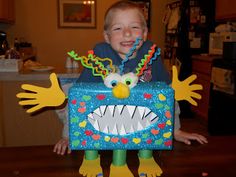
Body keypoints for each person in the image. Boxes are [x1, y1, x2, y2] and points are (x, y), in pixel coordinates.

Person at [53, 1, 208, 176]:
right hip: (102, 140)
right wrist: (69, 135)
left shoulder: (152, 56)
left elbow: (167, 95)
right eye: (118, 28)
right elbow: (78, 98)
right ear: (107, 36)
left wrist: (175, 130)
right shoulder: (99, 57)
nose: (127, 33)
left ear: (144, 33)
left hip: (143, 139)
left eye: (134, 27)